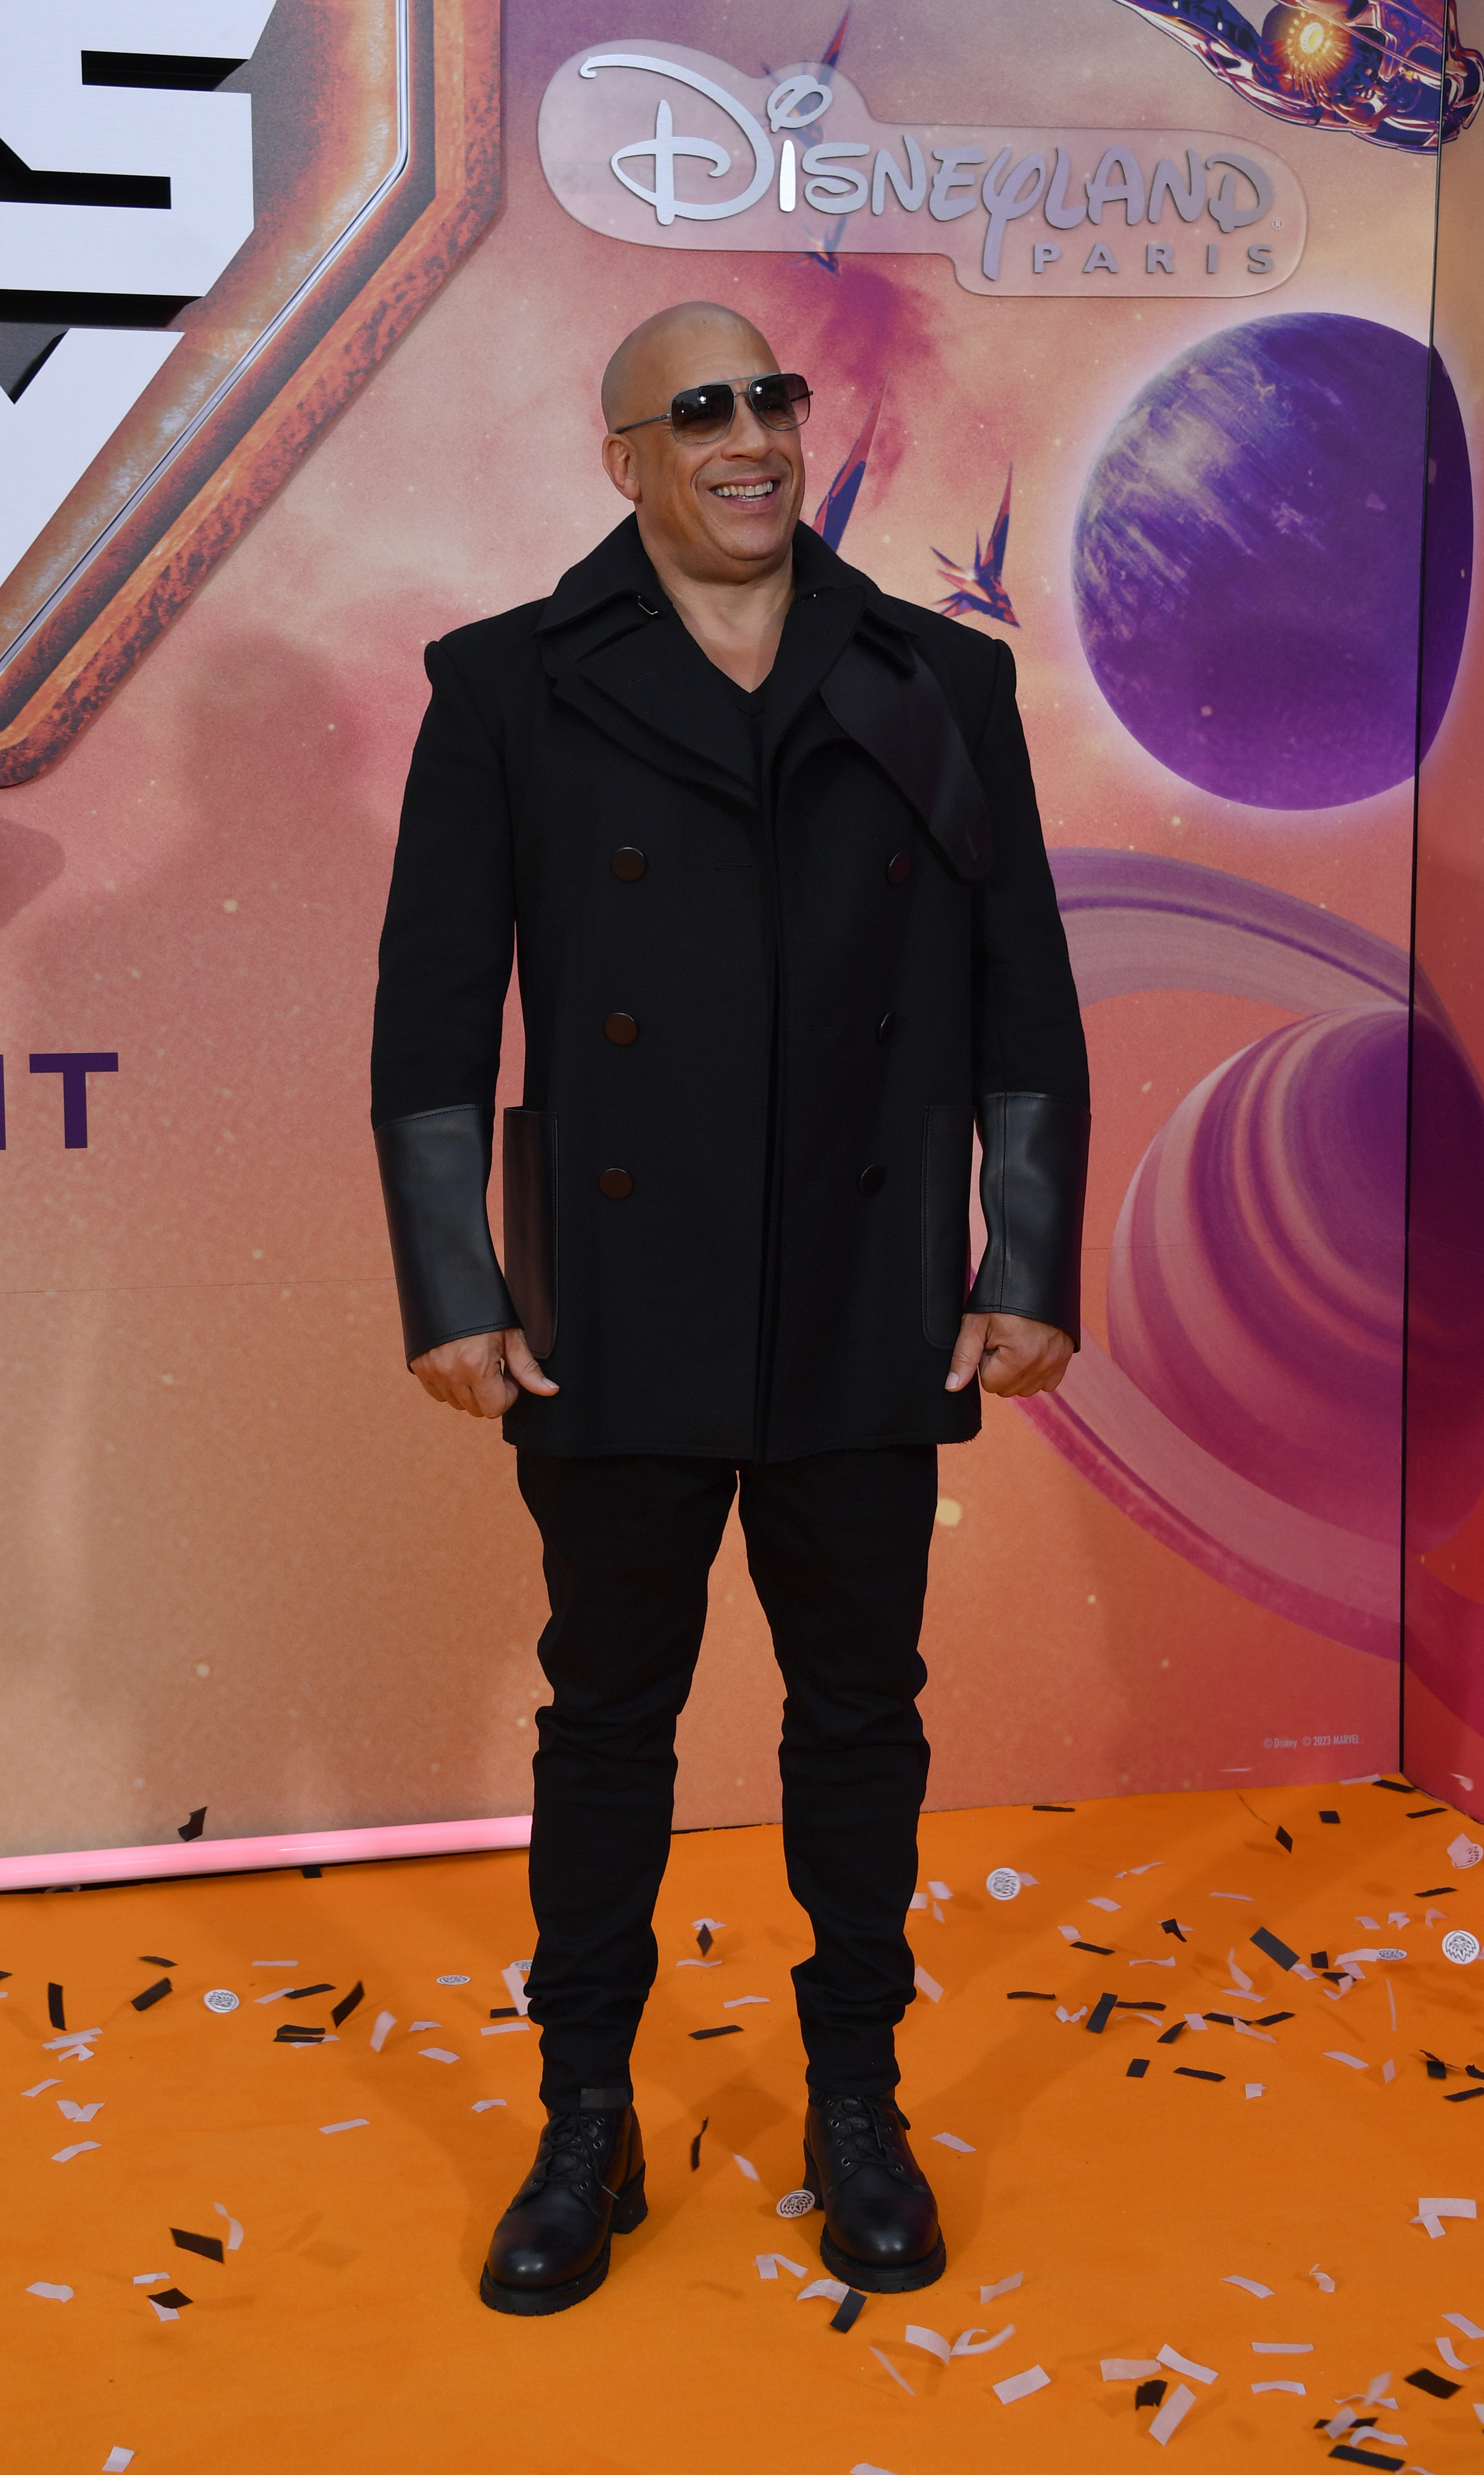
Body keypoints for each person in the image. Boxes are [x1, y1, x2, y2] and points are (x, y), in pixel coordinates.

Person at [372, 300, 1089, 2316]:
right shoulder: (510, 688)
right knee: (610, 1725)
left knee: (862, 1722)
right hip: (616, 1296)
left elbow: (1023, 989)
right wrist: (454, 1278)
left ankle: (858, 2098)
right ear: (627, 461)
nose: (756, 435)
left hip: (868, 1297)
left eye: (773, 396)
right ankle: (580, 2118)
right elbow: (436, 1012)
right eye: (704, 411)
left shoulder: (940, 675)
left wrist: (1025, 1259)